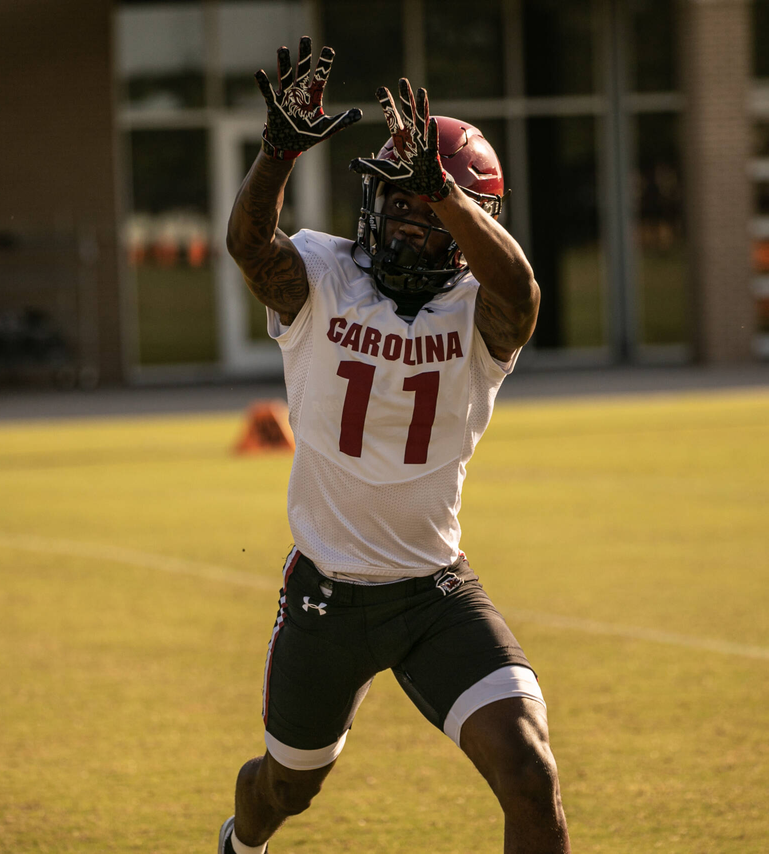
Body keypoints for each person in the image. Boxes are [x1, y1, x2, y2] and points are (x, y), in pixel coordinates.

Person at [219, 37, 570, 854]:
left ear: (465, 218)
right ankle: (241, 841)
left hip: (431, 595)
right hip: (326, 598)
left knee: (530, 774)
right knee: (284, 789)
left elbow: (522, 288)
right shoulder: (323, 274)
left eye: (428, 212)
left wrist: (441, 193)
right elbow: (249, 246)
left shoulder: (485, 311)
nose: (407, 227)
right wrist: (275, 155)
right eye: (399, 205)